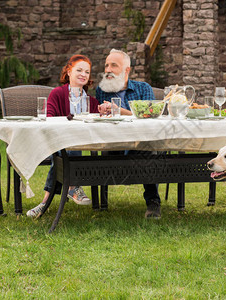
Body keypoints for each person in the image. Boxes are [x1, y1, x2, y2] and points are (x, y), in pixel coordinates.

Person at [27, 54, 100, 217]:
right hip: (57, 141)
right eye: (79, 70)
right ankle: (73, 187)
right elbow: (49, 117)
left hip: (80, 144)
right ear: (68, 71)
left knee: (63, 157)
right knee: (65, 150)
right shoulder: (57, 94)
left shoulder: (90, 101)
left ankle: (45, 203)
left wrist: (102, 111)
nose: (83, 74)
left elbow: (97, 120)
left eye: (87, 72)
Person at [96, 49, 162, 219]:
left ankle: (153, 202)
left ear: (126, 70)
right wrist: (101, 111)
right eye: (106, 65)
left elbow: (150, 116)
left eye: (113, 65)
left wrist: (120, 111)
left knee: (149, 150)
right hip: (112, 144)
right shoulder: (102, 90)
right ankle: (101, 202)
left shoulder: (143, 88)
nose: (108, 69)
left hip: (140, 144)